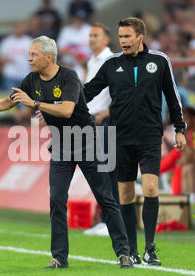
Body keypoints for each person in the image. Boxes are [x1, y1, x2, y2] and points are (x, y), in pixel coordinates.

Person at [0, 35, 133, 269]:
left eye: (33, 55)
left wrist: (34, 104)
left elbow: (67, 110)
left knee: (105, 197)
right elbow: (10, 102)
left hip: (86, 142)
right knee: (56, 199)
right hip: (61, 146)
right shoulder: (32, 79)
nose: (28, 59)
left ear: (49, 56)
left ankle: (123, 253)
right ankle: (59, 258)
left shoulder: (69, 76)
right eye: (28, 55)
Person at [83, 17, 187, 266]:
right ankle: (131, 248)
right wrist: (61, 105)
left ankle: (150, 248)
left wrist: (180, 129)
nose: (123, 41)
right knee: (125, 193)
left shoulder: (160, 61)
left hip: (150, 135)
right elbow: (88, 91)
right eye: (120, 37)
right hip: (120, 136)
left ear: (140, 36)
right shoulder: (112, 64)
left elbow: (172, 97)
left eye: (127, 37)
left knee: (150, 188)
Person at [82, 23, 115, 237]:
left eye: (96, 35)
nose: (92, 38)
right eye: (90, 35)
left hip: (105, 123)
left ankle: (110, 220)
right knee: (99, 172)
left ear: (106, 39)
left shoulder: (111, 61)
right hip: (90, 121)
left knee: (108, 172)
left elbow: (121, 91)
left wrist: (108, 112)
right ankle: (105, 218)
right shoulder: (92, 61)